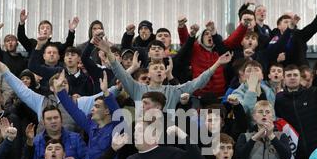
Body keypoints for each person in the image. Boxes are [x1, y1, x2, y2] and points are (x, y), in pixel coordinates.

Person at [94, 34, 234, 110]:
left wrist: (217, 63)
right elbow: (121, 73)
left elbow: (198, 82)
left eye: (161, 68)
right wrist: (108, 52)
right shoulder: (137, 89)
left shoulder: (173, 90)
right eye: (155, 68)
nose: (159, 70)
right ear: (148, 74)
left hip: (167, 137)